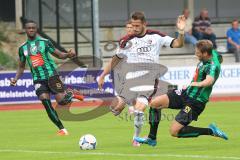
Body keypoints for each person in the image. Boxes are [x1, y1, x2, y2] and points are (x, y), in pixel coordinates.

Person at [98, 11, 185, 146]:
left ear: (144, 24)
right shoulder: (126, 40)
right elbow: (115, 60)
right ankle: (125, 106)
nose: (134, 28)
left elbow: (178, 44)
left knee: (139, 111)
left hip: (148, 81)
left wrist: (181, 31)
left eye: (137, 25)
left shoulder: (156, 36)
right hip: (130, 81)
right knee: (116, 108)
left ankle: (135, 138)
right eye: (132, 25)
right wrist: (103, 75)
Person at [135, 40, 228, 146]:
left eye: (197, 52)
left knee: (174, 132)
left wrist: (198, 84)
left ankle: (211, 131)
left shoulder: (212, 66)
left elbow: (209, 80)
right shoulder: (213, 53)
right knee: (155, 103)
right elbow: (219, 57)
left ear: (205, 54)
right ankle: (151, 138)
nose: (195, 54)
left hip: (196, 102)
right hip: (186, 93)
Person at [10, 20, 84, 136]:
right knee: (45, 102)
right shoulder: (22, 48)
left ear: (36, 29)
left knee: (61, 101)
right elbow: (21, 66)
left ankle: (71, 94)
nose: (31, 30)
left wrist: (69, 55)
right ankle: (62, 129)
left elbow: (59, 55)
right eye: (29, 28)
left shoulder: (44, 42)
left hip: (52, 76)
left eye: (33, 28)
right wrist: (15, 79)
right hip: (38, 79)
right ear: (25, 30)